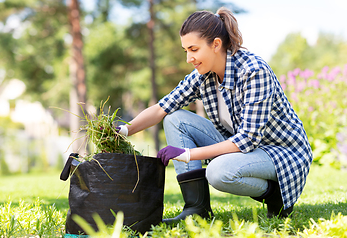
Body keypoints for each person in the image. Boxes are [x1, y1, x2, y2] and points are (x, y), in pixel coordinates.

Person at [117, 7, 313, 222]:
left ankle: (277, 197)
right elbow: (161, 108)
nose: (189, 58)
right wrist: (125, 130)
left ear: (216, 44)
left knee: (218, 172)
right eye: (186, 51)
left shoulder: (253, 71)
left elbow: (247, 139)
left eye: (194, 49)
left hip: (281, 152)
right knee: (175, 118)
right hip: (243, 147)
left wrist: (186, 154)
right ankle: (196, 208)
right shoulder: (202, 75)